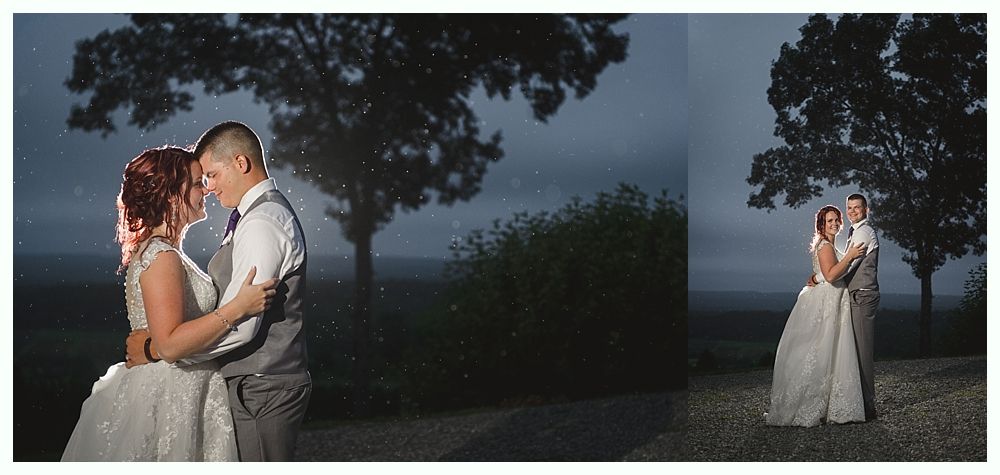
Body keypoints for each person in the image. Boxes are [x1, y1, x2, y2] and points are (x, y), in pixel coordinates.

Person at [61, 146, 278, 461]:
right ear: (171, 194)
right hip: (171, 394)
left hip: (184, 388)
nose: (206, 189)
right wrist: (238, 308)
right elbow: (172, 345)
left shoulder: (166, 252)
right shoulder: (162, 256)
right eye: (196, 182)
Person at [127, 121, 311, 461]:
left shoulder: (261, 222)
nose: (208, 188)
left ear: (240, 164)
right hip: (247, 385)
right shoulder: (250, 219)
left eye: (210, 175)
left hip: (261, 383)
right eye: (200, 182)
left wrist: (159, 352)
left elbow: (243, 326)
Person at [765, 205, 866, 427]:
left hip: (832, 298)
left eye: (836, 220)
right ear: (821, 224)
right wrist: (849, 256)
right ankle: (809, 404)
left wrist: (817, 276)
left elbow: (824, 273)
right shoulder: (824, 245)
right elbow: (831, 275)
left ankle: (830, 403)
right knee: (819, 350)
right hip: (826, 300)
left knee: (829, 350)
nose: (834, 224)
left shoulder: (829, 244)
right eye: (829, 221)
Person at [841, 194, 880, 420]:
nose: (853, 211)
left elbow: (847, 267)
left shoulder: (864, 232)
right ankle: (858, 402)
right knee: (853, 351)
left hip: (863, 295)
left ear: (867, 209)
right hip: (855, 295)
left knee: (863, 353)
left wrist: (822, 276)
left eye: (857, 207)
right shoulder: (854, 231)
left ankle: (868, 406)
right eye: (850, 208)